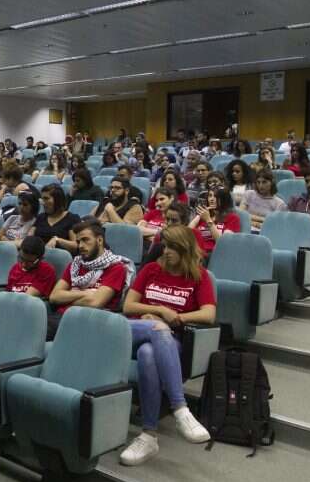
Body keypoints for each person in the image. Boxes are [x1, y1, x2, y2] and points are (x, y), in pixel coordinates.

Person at [119, 224, 215, 466]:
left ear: (185, 249)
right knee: (155, 330)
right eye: (165, 245)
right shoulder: (151, 269)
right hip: (133, 332)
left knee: (148, 353)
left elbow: (208, 314)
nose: (166, 251)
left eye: (173, 247)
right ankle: (180, 410)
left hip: (169, 342)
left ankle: (148, 435)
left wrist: (178, 318)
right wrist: (158, 311)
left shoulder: (199, 276)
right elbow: (128, 306)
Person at [48, 221, 134, 335]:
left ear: (99, 240)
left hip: (89, 321)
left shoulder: (116, 268)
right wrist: (85, 293)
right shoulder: (75, 264)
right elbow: (54, 296)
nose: (80, 246)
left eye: (85, 240)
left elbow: (95, 302)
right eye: (78, 242)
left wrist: (68, 297)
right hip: (61, 317)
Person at [188, 188, 240, 257]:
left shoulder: (232, 218)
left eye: (216, 196)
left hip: (214, 254)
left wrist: (208, 220)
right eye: (210, 195)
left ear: (224, 199)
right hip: (195, 251)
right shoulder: (204, 216)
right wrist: (200, 215)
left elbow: (222, 242)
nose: (212, 199)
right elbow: (187, 233)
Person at [33, 184, 80, 253]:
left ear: (58, 200)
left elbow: (76, 246)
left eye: (46, 198)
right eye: (42, 199)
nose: (43, 203)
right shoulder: (41, 217)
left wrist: (57, 240)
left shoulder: (72, 219)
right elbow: (29, 237)